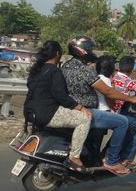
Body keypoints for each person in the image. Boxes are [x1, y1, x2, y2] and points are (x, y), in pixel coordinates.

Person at [62, 36, 136, 175]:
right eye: (90, 48)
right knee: (123, 122)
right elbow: (108, 91)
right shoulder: (85, 70)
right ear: (82, 50)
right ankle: (111, 160)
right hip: (86, 111)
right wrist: (131, 99)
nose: (92, 51)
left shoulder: (66, 66)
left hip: (70, 109)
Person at [24, 40, 92, 171]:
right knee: (84, 119)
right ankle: (74, 157)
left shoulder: (35, 70)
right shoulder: (54, 71)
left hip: (29, 112)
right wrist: (81, 108)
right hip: (46, 113)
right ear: (57, 54)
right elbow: (62, 97)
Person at [112, 55, 136, 166]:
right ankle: (126, 158)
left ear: (119, 67)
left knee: (130, 128)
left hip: (108, 110)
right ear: (132, 70)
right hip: (117, 113)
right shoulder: (129, 82)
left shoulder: (113, 76)